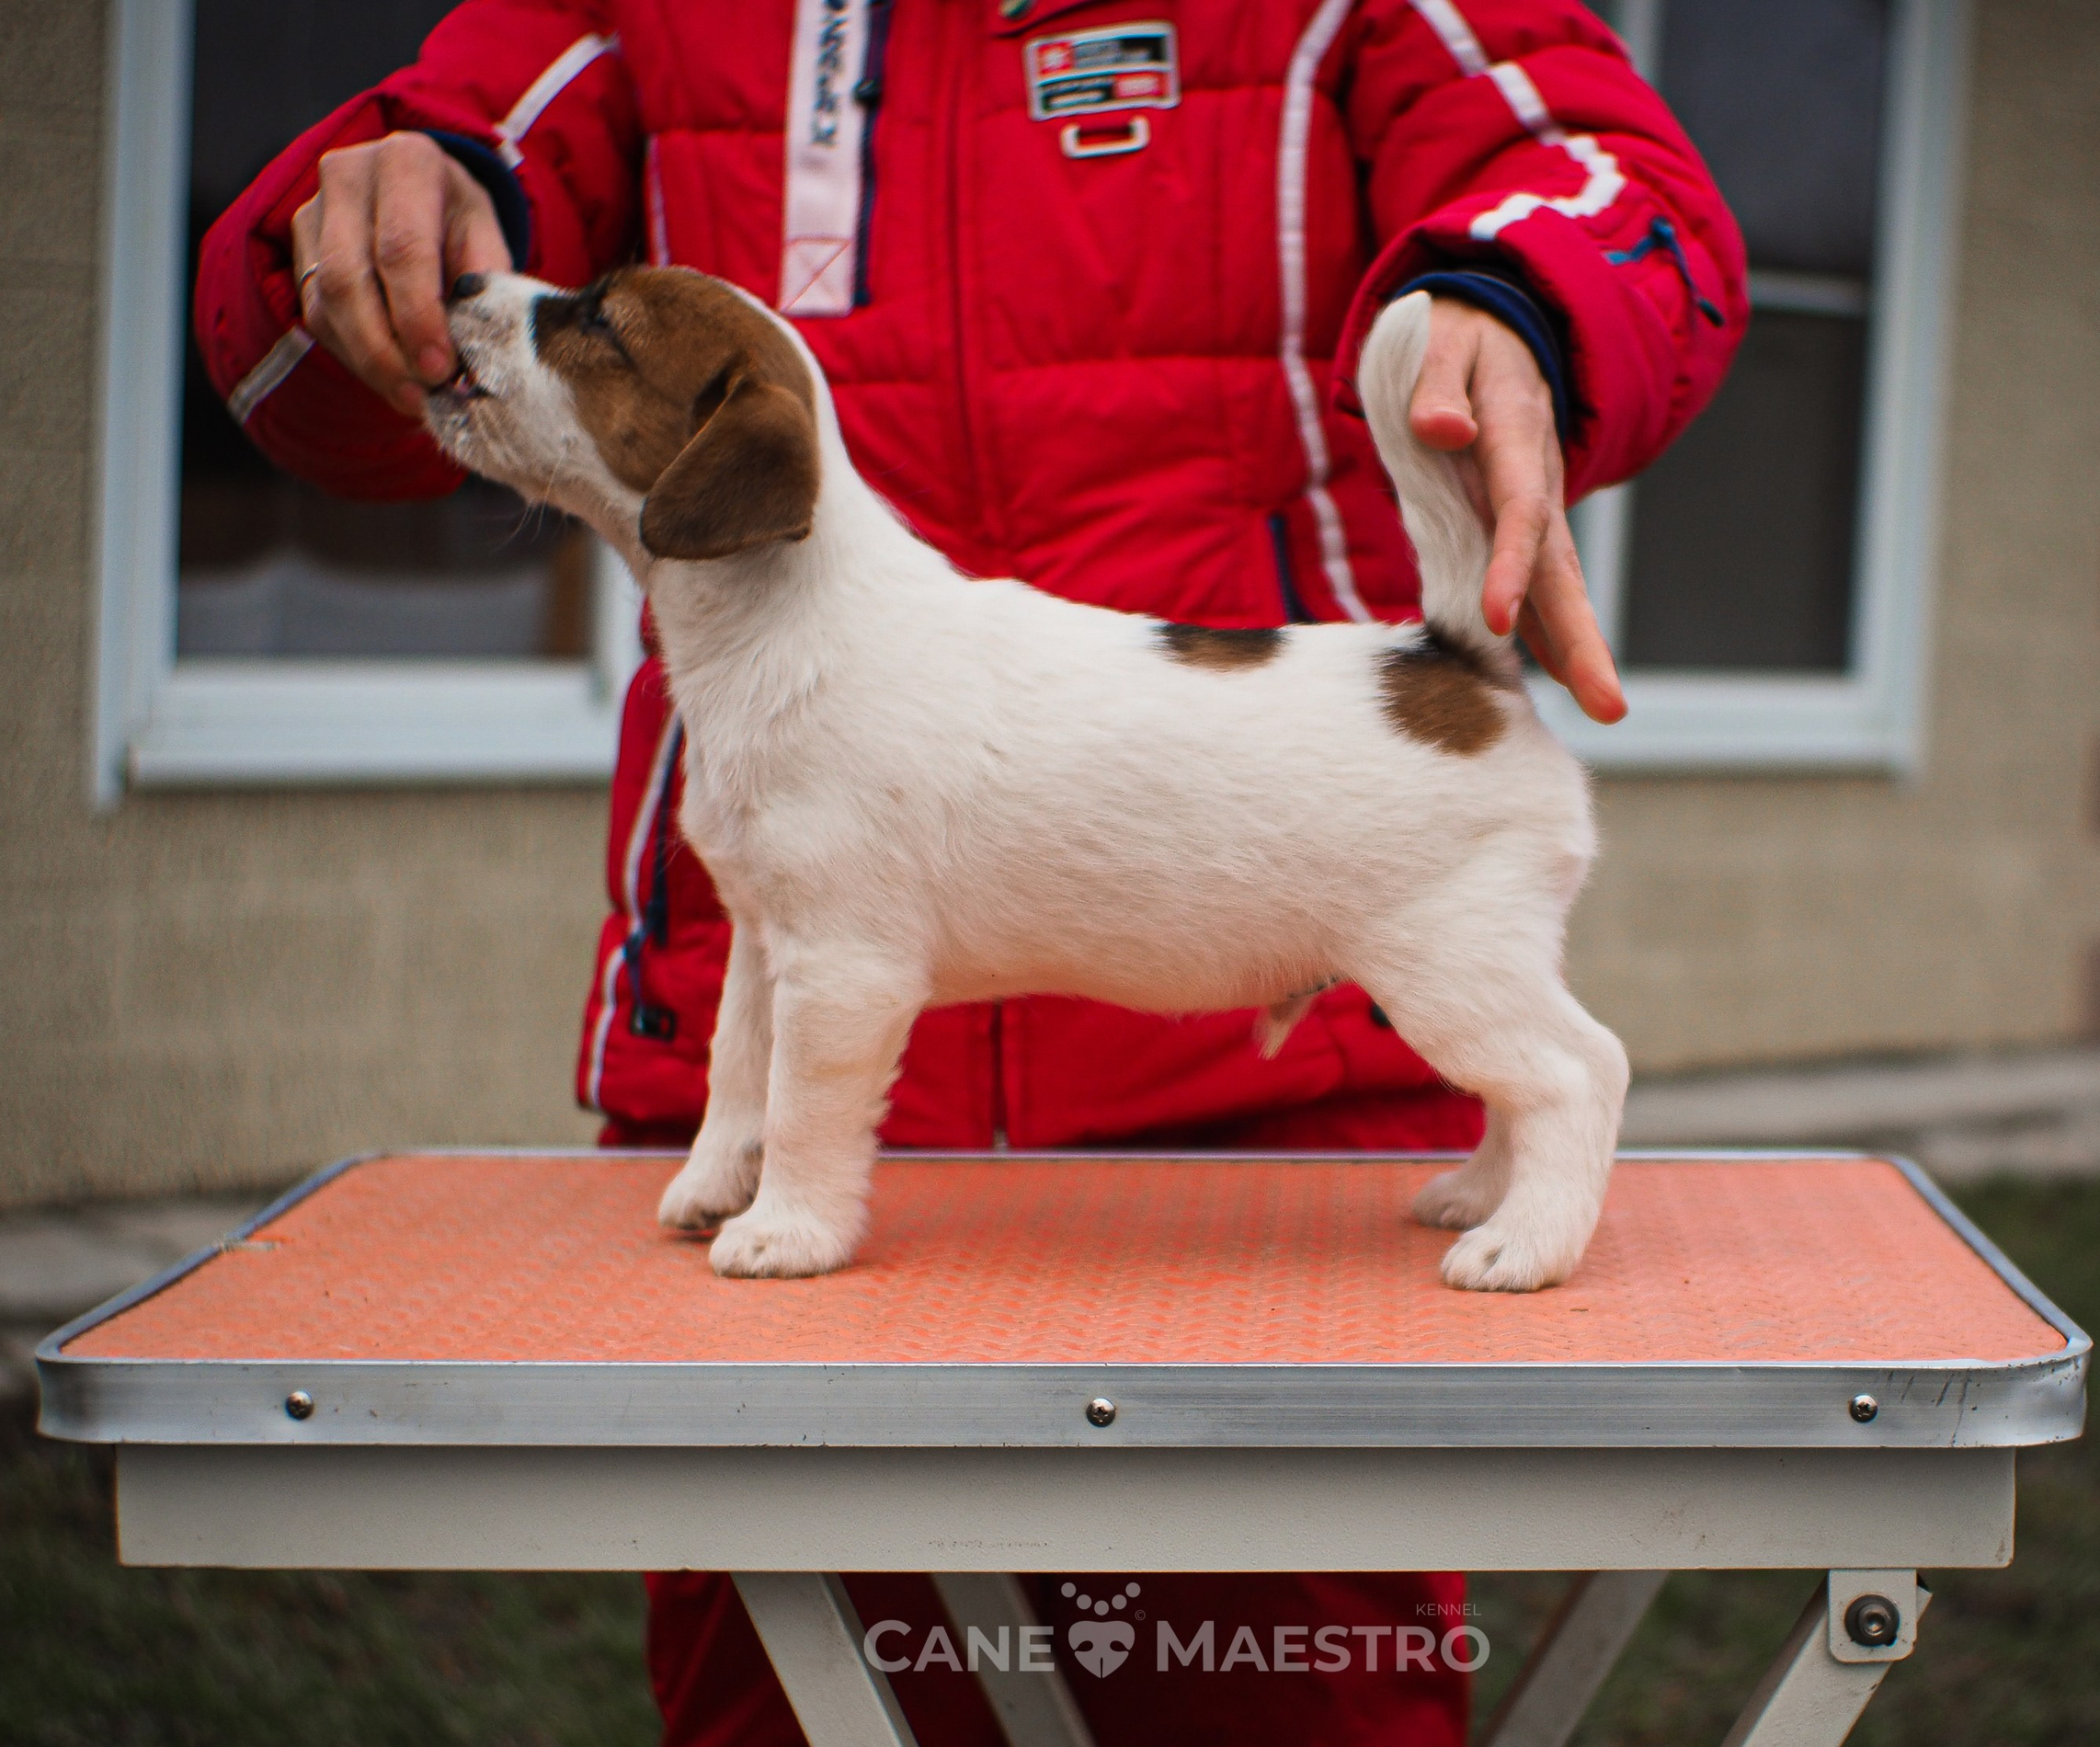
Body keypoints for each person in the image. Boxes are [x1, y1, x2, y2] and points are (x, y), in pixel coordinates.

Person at [195, 6, 1743, 1742]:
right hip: (869, 1027)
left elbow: (1610, 177)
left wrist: (1519, 301)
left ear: (725, 469)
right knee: (799, 1679)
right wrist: (358, 244)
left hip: (1272, 1067)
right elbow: (294, 337)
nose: (542, 335)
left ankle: (1550, 1118)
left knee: (1274, 1682)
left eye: (591, 330)